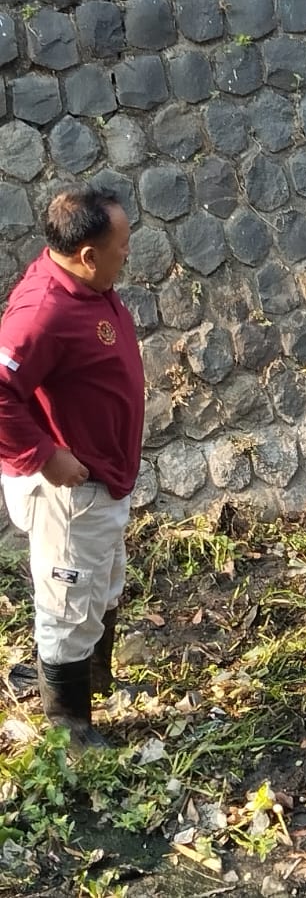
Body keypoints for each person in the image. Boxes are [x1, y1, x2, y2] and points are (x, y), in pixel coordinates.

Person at [0, 185, 144, 749]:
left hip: (103, 478)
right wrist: (44, 455)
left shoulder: (87, 284)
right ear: (87, 254)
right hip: (69, 489)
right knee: (68, 599)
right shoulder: (43, 312)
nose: (128, 252)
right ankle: (70, 729)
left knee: (104, 585)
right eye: (122, 244)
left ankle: (90, 678)